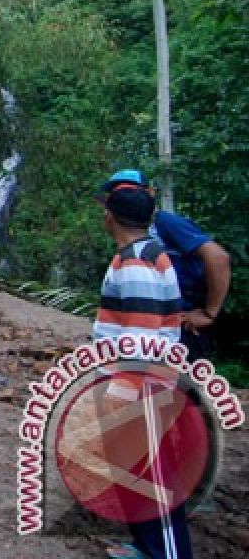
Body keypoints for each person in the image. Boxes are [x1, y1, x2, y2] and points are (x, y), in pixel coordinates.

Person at [94, 181, 192, 559]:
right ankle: (144, 546)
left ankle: (166, 553)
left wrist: (123, 393)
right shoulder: (146, 252)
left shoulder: (136, 262)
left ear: (110, 217)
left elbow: (141, 332)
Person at [98, 169, 232, 360]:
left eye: (131, 190)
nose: (125, 196)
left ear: (149, 194)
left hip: (180, 323)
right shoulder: (138, 241)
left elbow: (218, 257)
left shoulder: (165, 223)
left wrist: (209, 313)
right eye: (117, 193)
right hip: (160, 322)